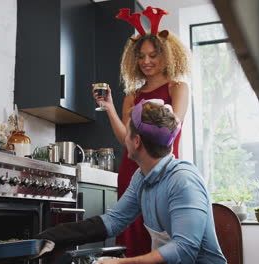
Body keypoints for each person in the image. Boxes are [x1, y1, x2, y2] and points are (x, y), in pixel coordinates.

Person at [34, 99, 227, 264]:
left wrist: (123, 263)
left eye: (128, 132)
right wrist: (52, 236)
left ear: (136, 141)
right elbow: (113, 221)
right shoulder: (142, 177)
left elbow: (184, 249)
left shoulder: (183, 181)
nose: (124, 138)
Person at [91, 6, 190, 257]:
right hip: (131, 172)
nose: (146, 61)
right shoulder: (131, 96)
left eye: (153, 55)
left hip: (163, 173)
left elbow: (172, 129)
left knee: (164, 235)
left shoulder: (178, 87)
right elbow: (126, 140)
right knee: (132, 240)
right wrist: (110, 107)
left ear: (166, 56)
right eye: (141, 56)